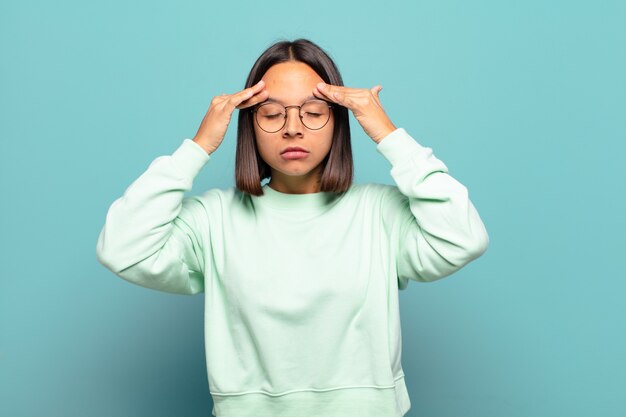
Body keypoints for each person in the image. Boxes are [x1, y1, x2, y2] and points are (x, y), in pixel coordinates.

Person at [96, 38, 489, 417]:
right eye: (271, 113)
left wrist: (386, 133)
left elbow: (463, 238)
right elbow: (122, 248)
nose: (293, 128)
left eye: (314, 113)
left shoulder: (379, 212)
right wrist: (197, 147)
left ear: (338, 122)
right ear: (249, 124)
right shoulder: (213, 218)